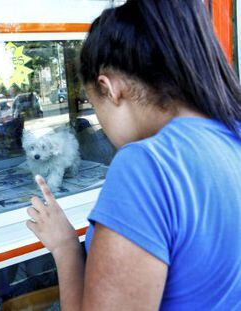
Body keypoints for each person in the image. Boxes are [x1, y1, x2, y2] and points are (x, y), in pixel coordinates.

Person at [26, 0, 241, 310]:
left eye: (96, 108)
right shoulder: (232, 132)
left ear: (110, 88)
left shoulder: (147, 166)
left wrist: (65, 247)